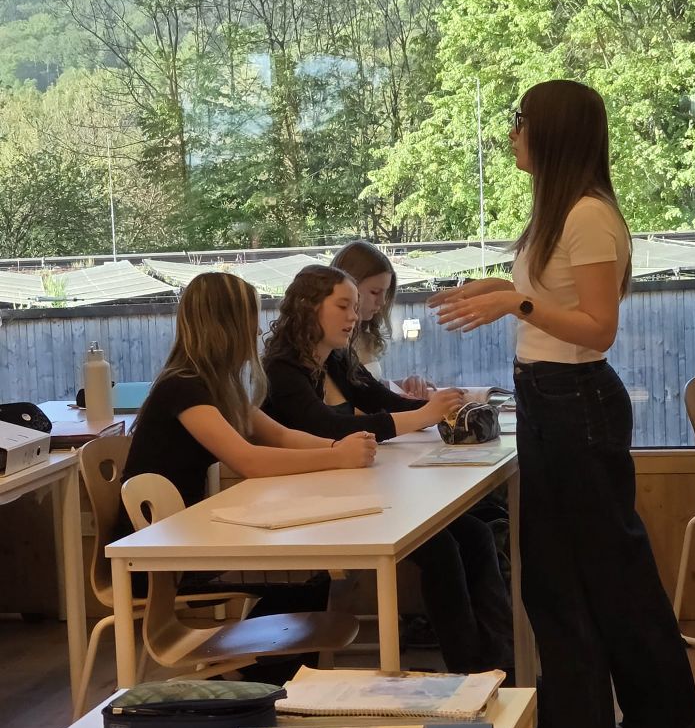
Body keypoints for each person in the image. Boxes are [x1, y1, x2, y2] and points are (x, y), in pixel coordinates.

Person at [430, 79, 695, 728]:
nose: (512, 134)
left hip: (575, 400)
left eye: (520, 121)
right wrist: (501, 292)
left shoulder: (587, 216)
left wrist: (515, 304)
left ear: (551, 131)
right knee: (561, 571)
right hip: (552, 396)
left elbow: (598, 327)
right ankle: (584, 726)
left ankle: (633, 720)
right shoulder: (559, 213)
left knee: (600, 568)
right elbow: (553, 302)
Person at [261, 264, 515, 675]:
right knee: (443, 550)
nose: (354, 317)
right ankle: (470, 672)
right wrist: (424, 415)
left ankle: (500, 668)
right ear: (308, 307)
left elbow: (381, 400)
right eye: (343, 306)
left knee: (476, 534)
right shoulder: (281, 369)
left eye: (355, 307)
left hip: (350, 492)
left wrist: (438, 406)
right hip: (309, 508)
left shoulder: (336, 358)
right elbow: (327, 428)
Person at [119, 272, 376, 622]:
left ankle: (262, 654)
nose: (256, 331)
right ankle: (255, 657)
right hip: (154, 559)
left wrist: (340, 447)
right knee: (312, 590)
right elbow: (248, 460)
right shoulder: (183, 387)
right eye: (250, 319)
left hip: (178, 541)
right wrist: (337, 456)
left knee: (319, 583)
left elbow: (281, 436)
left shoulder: (217, 386)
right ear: (225, 325)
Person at [331, 239, 432, 397]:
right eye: (375, 292)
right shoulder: (328, 344)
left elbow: (371, 388)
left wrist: (402, 385)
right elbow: (345, 405)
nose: (382, 302)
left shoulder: (363, 334)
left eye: (385, 293)